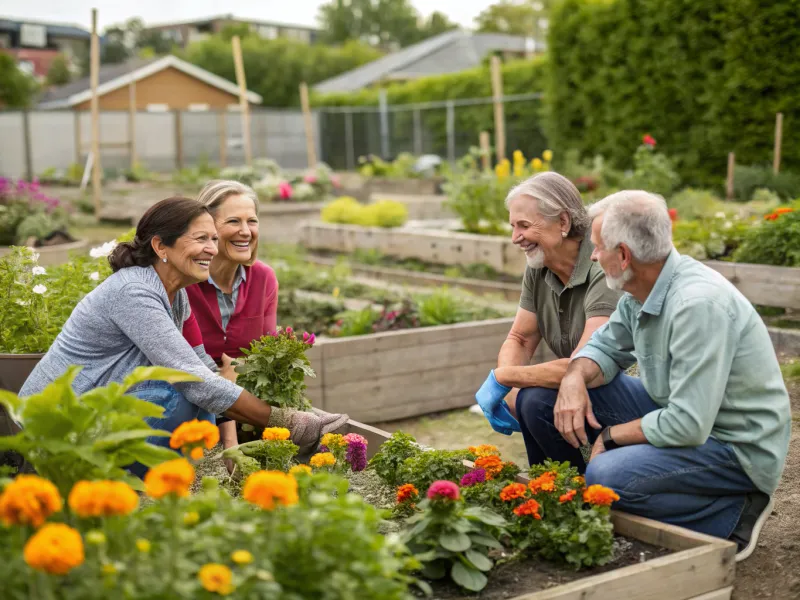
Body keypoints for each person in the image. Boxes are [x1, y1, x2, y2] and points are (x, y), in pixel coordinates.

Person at [528, 189, 790, 560]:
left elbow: (688, 424)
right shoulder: (641, 288)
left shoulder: (697, 306)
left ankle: (733, 514)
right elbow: (603, 347)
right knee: (540, 399)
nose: (594, 257)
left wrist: (612, 436)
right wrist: (572, 377)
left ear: (623, 255)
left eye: (598, 248)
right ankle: (581, 508)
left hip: (733, 445)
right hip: (682, 411)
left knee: (608, 476)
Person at [19, 197, 347, 472]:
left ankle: (152, 476)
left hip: (93, 407)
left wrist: (263, 424)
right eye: (200, 239)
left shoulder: (176, 295)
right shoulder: (134, 291)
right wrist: (287, 421)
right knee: (178, 396)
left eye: (213, 240)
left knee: (195, 395)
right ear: (161, 245)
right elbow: (192, 378)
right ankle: (115, 475)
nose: (211, 250)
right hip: (53, 424)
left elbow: (200, 366)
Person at [475, 172, 622, 439]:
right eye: (513, 227)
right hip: (581, 383)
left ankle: (571, 480)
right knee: (527, 399)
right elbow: (520, 338)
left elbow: (584, 365)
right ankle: (549, 480)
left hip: (624, 390)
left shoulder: (601, 262)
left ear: (563, 221)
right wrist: (512, 394)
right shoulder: (539, 265)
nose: (515, 237)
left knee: (535, 400)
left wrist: (505, 377)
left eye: (524, 225)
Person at [181, 180, 278, 453]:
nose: (245, 232)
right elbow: (182, 365)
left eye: (252, 221)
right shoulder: (183, 283)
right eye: (234, 221)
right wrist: (230, 441)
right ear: (207, 227)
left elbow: (265, 355)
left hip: (246, 404)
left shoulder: (264, 278)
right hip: (187, 406)